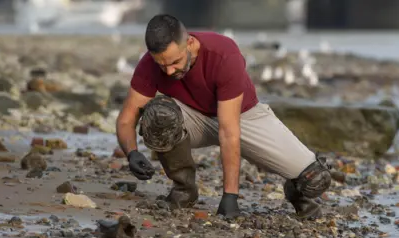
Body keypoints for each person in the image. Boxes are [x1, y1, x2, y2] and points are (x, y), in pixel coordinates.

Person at [115, 14, 332, 219]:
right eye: (163, 65)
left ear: (189, 43)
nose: (170, 71)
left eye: (175, 62)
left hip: (244, 117)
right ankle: (184, 190)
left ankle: (295, 192)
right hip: (194, 118)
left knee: (315, 179)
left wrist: (230, 197)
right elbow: (127, 117)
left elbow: (228, 131)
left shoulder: (223, 53)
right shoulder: (150, 64)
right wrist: (131, 153)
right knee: (158, 115)